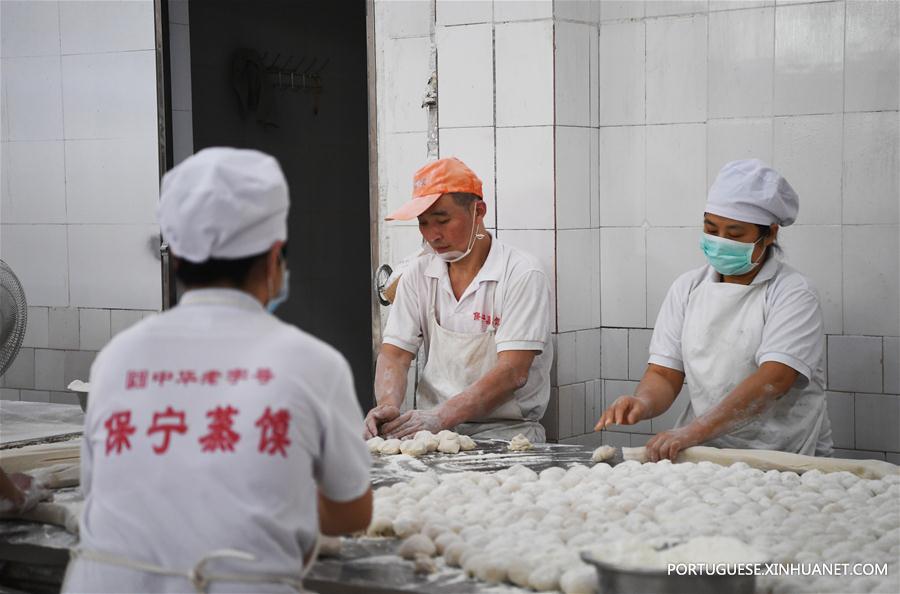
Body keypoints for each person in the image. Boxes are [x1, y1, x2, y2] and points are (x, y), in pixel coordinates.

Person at [63, 148, 372, 593]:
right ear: (274, 258)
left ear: (176, 261)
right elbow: (351, 513)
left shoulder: (117, 357)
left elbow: (103, 491)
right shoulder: (312, 363)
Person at [595, 159, 833, 461]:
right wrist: (643, 402)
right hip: (703, 454)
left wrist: (693, 431)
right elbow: (665, 374)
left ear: (770, 234)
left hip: (783, 456)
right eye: (711, 228)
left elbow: (774, 380)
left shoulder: (793, 293)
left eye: (734, 234)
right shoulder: (688, 287)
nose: (720, 241)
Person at [365, 157, 553, 442]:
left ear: (478, 211)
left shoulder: (521, 273)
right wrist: (388, 404)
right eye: (423, 223)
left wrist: (440, 417)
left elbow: (513, 371)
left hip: (508, 436)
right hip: (432, 436)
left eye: (442, 220)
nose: (433, 235)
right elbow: (395, 353)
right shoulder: (419, 273)